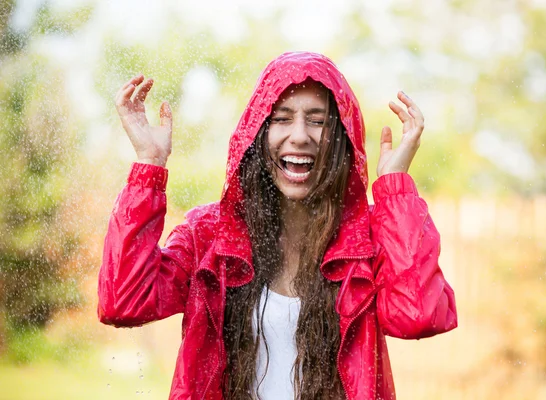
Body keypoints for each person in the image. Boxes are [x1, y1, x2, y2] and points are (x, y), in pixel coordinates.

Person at [98, 51, 457, 400]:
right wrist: (149, 165)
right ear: (256, 135)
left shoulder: (368, 239)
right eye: (282, 118)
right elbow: (124, 303)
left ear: (341, 137)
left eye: (317, 120)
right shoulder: (209, 234)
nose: (300, 135)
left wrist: (394, 185)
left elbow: (418, 316)